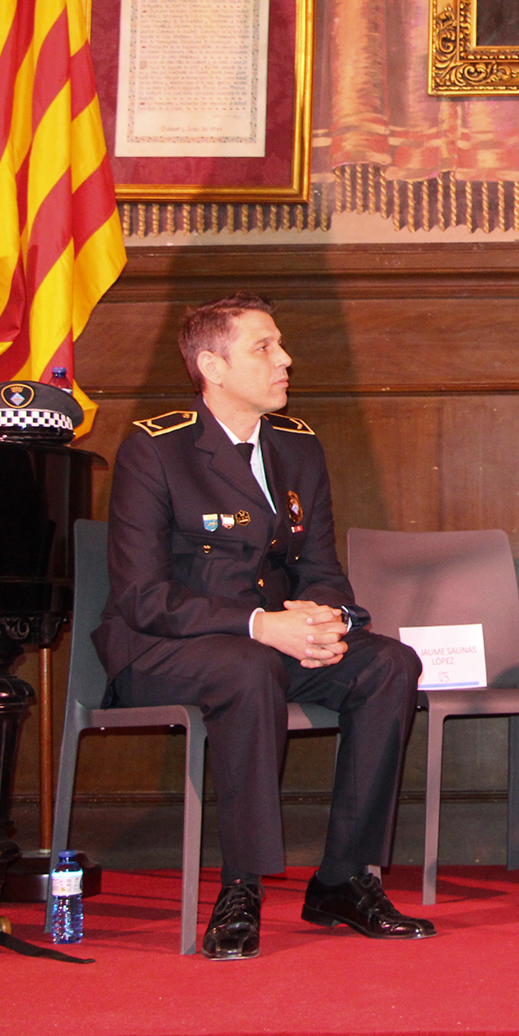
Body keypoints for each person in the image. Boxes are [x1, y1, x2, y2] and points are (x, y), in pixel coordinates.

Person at [98, 293, 433, 960]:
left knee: (390, 663)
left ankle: (345, 877)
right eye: (264, 348)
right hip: (165, 647)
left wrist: (326, 617)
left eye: (280, 344)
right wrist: (260, 624)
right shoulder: (155, 450)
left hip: (272, 638)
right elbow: (141, 596)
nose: (286, 359)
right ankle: (240, 885)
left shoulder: (297, 449)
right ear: (212, 366)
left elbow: (322, 567)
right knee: (246, 666)